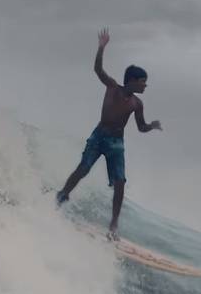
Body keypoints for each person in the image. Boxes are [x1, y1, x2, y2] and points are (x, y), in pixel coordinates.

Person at [57, 28, 162, 240]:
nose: (145, 85)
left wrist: (151, 125)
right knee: (83, 168)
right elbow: (98, 70)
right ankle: (62, 195)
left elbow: (140, 127)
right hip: (99, 136)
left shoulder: (137, 104)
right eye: (143, 81)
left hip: (116, 143)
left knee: (120, 183)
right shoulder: (113, 87)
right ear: (132, 80)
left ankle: (113, 225)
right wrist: (101, 48)